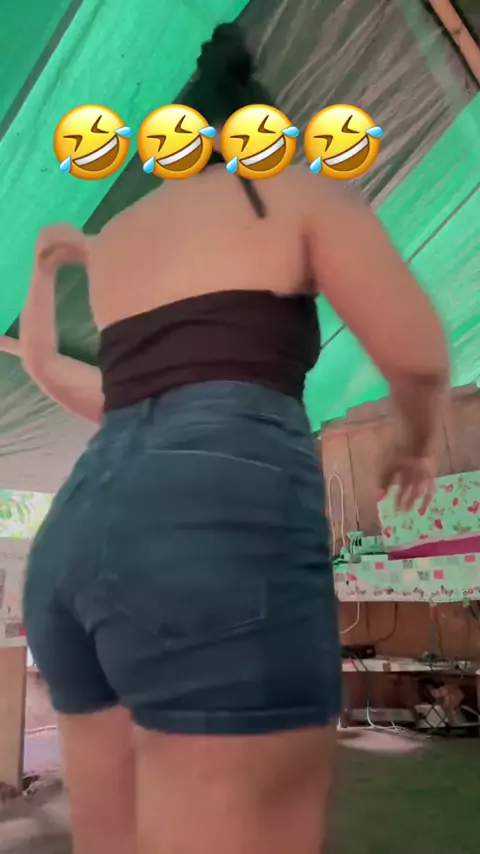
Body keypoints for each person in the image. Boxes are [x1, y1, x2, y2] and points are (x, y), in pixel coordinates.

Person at [0, 23, 449, 854]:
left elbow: (49, 369)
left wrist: (45, 266)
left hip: (76, 539)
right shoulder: (297, 191)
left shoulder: (120, 241)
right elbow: (418, 358)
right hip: (218, 528)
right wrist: (415, 444)